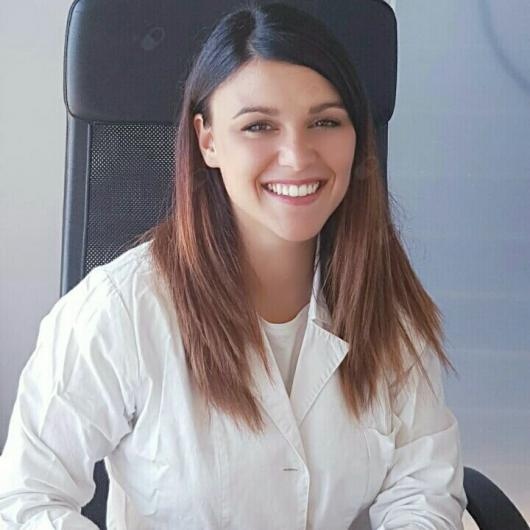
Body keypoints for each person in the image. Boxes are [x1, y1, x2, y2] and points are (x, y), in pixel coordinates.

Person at [0, 2, 468, 529]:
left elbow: (424, 495)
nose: (297, 156)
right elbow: (26, 501)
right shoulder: (119, 311)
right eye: (259, 126)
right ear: (208, 140)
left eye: (325, 122)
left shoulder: (387, 308)